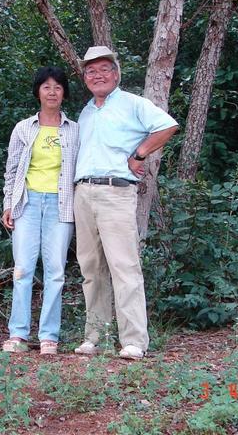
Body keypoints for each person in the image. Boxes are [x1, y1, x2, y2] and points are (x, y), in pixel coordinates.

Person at [73, 46, 178, 360]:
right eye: (91, 71)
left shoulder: (133, 103)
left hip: (116, 191)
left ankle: (133, 341)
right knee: (91, 268)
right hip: (84, 193)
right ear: (85, 78)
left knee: (125, 267)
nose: (98, 75)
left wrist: (140, 153)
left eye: (104, 69)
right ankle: (95, 336)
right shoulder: (87, 111)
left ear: (116, 74)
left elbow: (168, 125)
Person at [1, 66, 78, 356]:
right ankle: (18, 334)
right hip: (28, 203)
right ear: (38, 92)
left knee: (56, 271)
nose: (52, 91)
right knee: (22, 269)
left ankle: (49, 336)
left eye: (57, 87)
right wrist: (9, 204)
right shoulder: (24, 128)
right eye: (46, 86)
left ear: (64, 93)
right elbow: (11, 171)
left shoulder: (73, 129)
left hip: (61, 204)